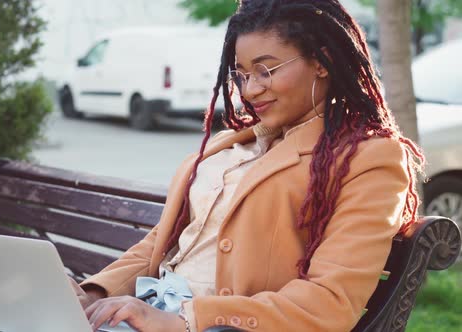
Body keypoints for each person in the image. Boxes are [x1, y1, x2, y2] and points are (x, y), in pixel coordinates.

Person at [70, 0, 424, 331]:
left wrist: (185, 319)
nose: (249, 90)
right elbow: (164, 244)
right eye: (241, 74)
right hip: (150, 310)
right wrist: (96, 295)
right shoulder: (234, 144)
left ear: (322, 61)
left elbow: (330, 302)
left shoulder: (369, 159)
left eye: (266, 71)